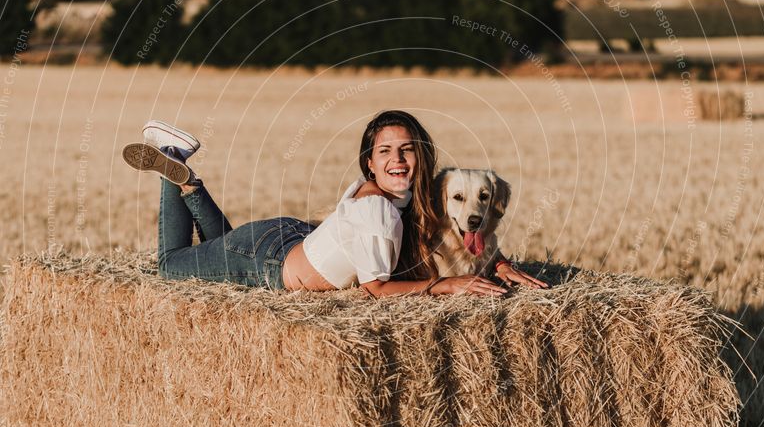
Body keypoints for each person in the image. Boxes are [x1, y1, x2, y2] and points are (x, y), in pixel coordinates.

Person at [122, 110, 544, 297]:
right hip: (270, 264)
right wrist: (443, 285)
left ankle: (191, 186)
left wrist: (497, 260)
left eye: (405, 151)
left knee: (225, 246)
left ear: (421, 158)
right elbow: (377, 290)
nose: (397, 160)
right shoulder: (379, 214)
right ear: (369, 164)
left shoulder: (412, 194)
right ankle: (173, 159)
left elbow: (459, 222)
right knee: (171, 264)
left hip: (291, 237)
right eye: (385, 153)